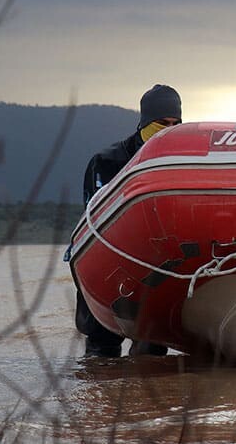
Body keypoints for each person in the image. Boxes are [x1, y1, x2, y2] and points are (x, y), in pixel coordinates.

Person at [75, 84, 182, 357]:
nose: (169, 129)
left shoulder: (177, 161)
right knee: (101, 352)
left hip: (154, 271)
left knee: (152, 356)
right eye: (162, 123)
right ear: (146, 122)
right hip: (110, 267)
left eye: (175, 123)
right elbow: (91, 224)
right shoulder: (108, 160)